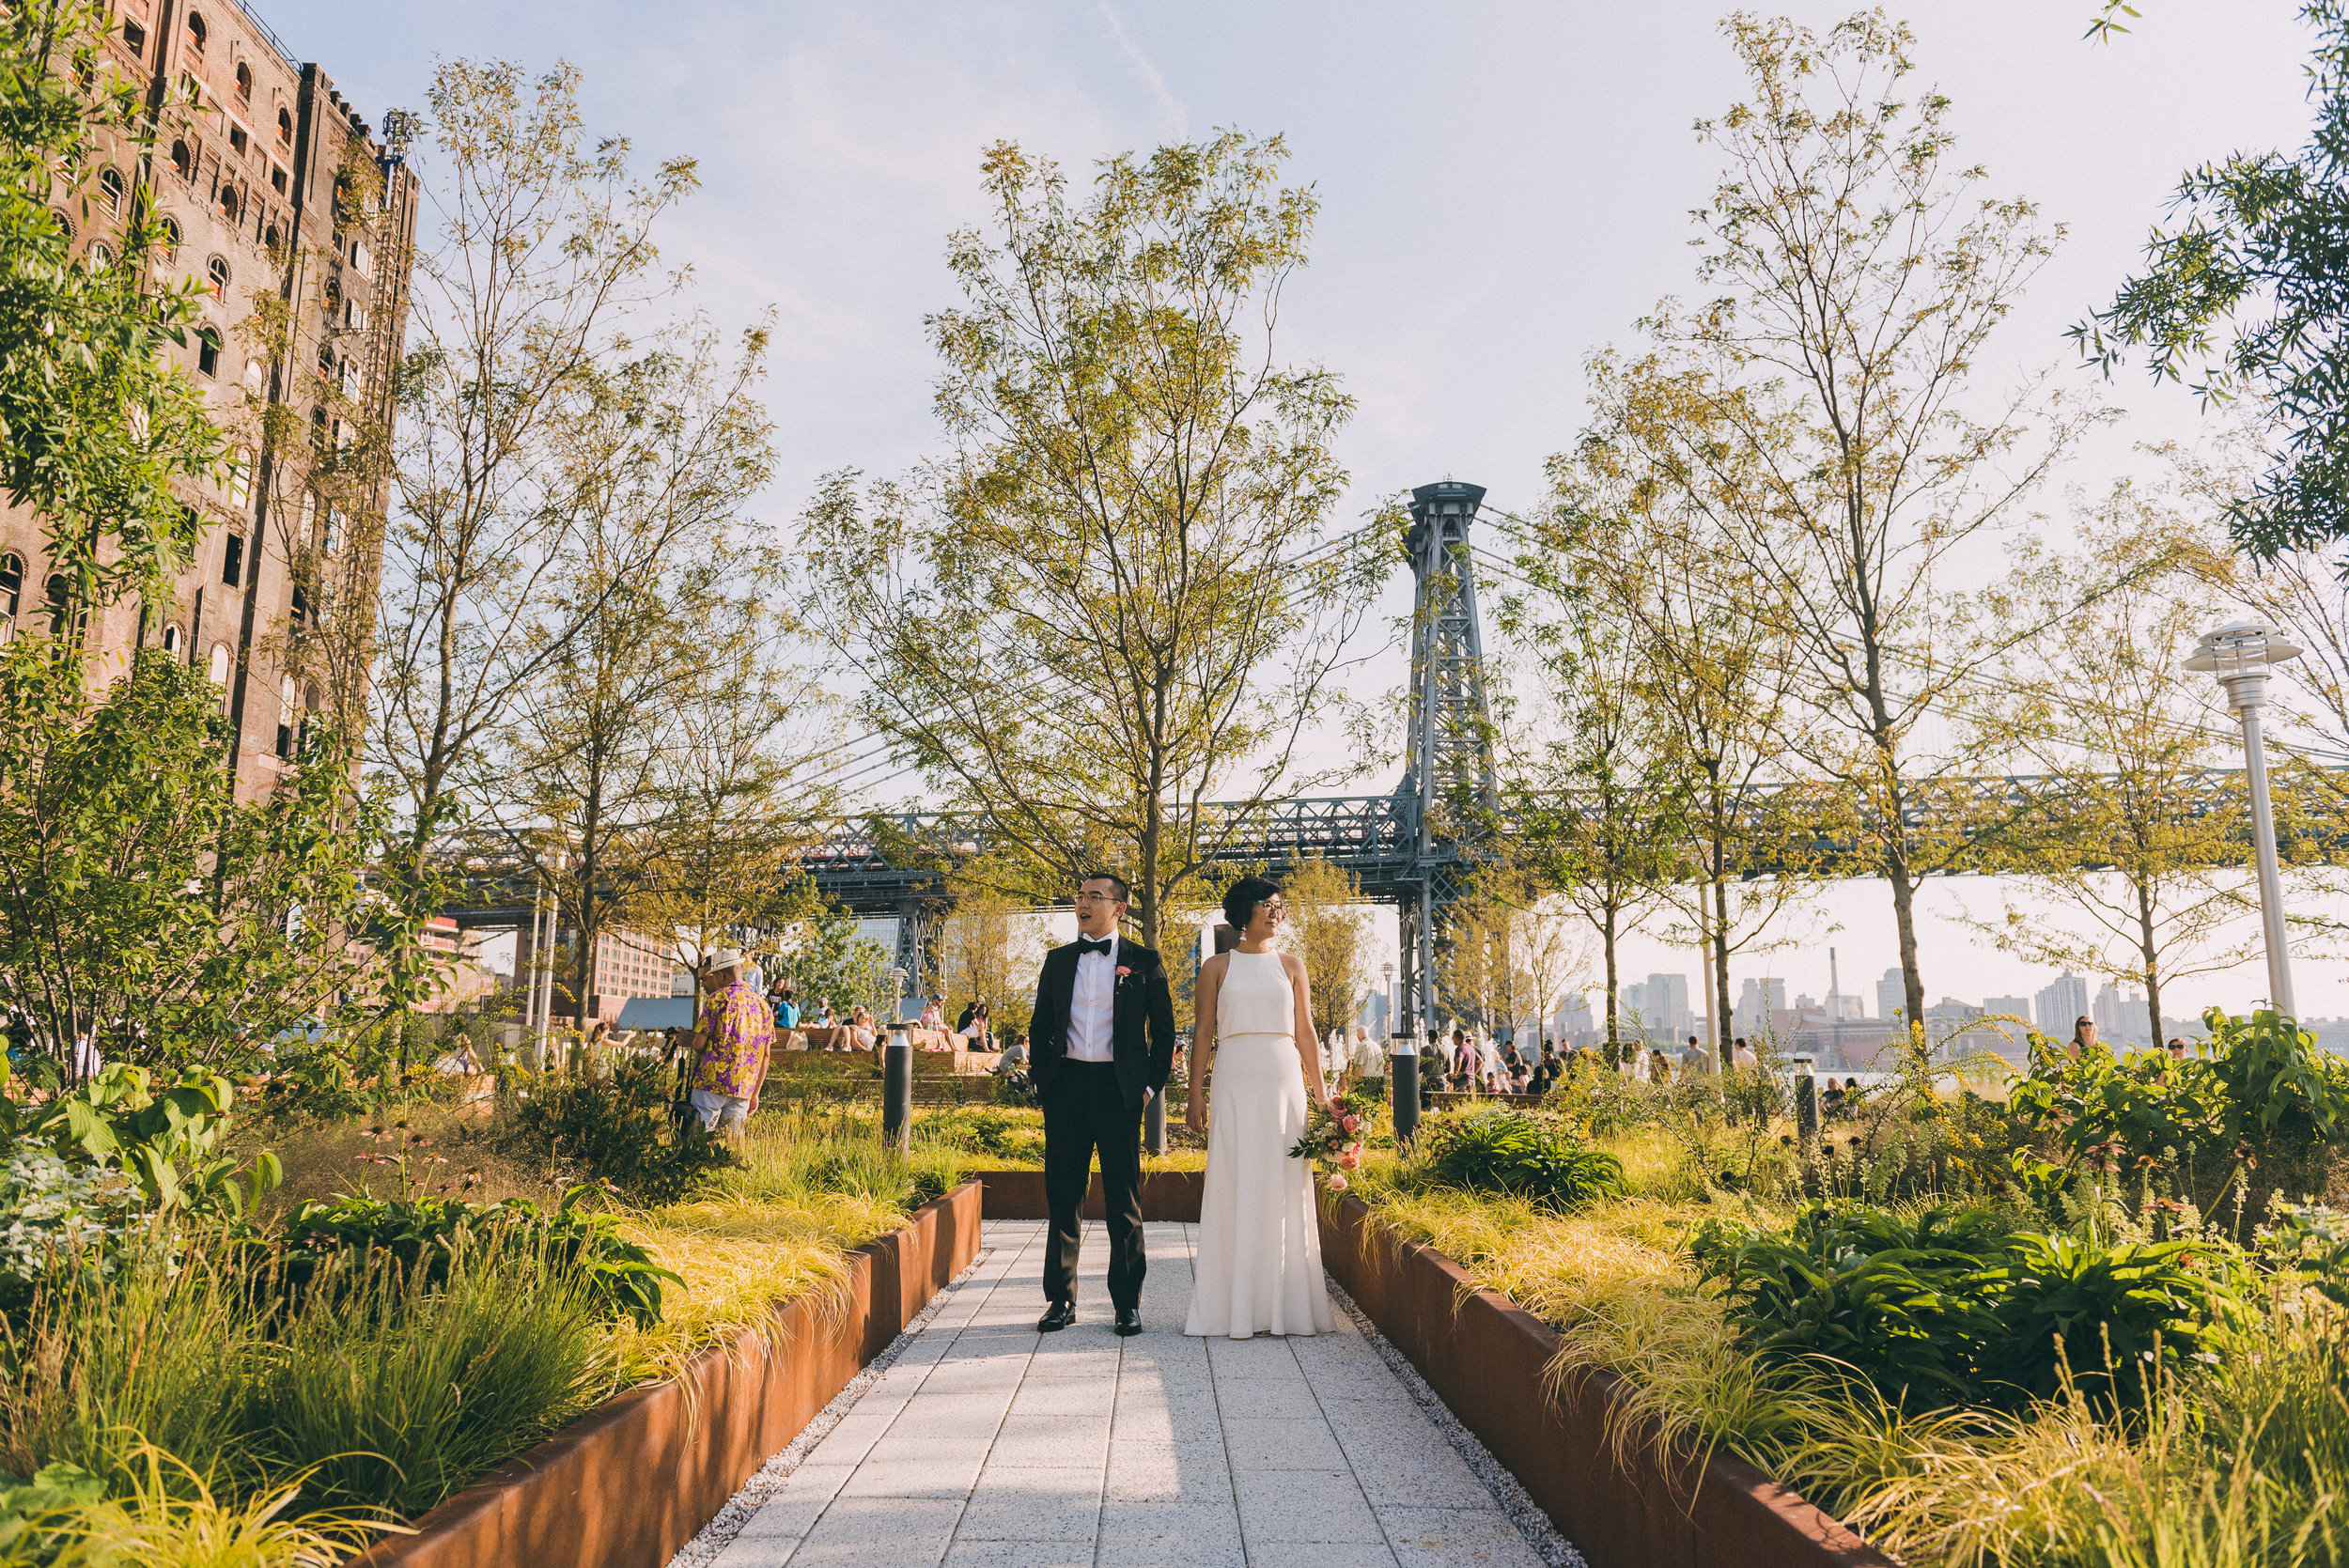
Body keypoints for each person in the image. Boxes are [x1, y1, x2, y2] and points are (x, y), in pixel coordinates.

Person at [1185, 875, 1337, 1340]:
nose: (1276, 911)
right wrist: (1194, 1094)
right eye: (1267, 904)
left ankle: (1286, 1306)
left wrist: (1321, 1092)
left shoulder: (1292, 965)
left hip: (1282, 1079)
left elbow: (1306, 1032)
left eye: (1279, 905)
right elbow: (1204, 1034)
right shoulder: (1216, 966)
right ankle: (1229, 1306)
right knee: (1235, 1179)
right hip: (1234, 1078)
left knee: (1284, 1184)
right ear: (1244, 910)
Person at [1030, 873, 1177, 1338]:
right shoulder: (1057, 961)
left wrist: (1149, 1088)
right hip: (1067, 1089)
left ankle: (1127, 1304)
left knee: (1124, 1199)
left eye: (1095, 896)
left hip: (1119, 1093)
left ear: (1119, 908)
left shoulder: (1145, 961)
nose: (1083, 903)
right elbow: (1039, 1027)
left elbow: (1166, 1035)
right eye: (1080, 896)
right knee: (1063, 1196)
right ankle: (1061, 1299)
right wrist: (1043, 1082)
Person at [685, 949, 774, 1141]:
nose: (704, 984)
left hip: (710, 1083)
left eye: (709, 978)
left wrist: (688, 1039)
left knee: (700, 1140)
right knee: (730, 1146)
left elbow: (699, 1043)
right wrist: (755, 1093)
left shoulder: (718, 999)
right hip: (743, 1087)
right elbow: (765, 1055)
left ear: (722, 975)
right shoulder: (763, 1006)